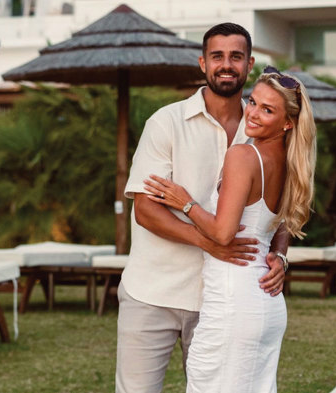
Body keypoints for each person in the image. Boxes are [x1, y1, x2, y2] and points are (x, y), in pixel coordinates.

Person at [116, 23, 289, 393]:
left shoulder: (263, 123)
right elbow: (146, 210)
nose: (226, 65)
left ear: (249, 64)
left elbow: (283, 210)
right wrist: (208, 241)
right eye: (217, 56)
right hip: (154, 292)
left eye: (236, 57)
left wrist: (280, 256)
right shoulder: (166, 122)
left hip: (224, 299)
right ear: (203, 63)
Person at [144, 66, 316, 392]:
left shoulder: (243, 155)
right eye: (253, 102)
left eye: (268, 110)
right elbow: (280, 225)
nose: (252, 113)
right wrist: (279, 254)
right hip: (266, 304)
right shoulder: (291, 161)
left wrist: (185, 202)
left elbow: (223, 235)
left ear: (288, 122)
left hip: (233, 302)